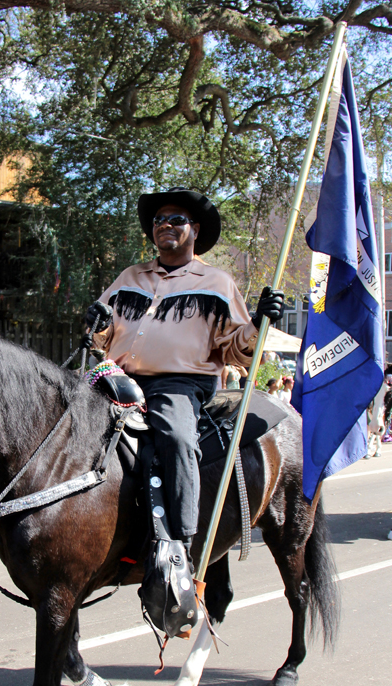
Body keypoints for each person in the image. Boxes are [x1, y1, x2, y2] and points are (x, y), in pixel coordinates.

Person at [86, 186, 284, 581]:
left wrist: (259, 321)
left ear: (194, 229)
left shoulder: (217, 282)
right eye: (159, 220)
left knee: (176, 438)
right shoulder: (129, 277)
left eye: (176, 219)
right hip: (116, 378)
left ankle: (179, 547)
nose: (165, 225)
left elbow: (237, 349)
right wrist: (95, 323)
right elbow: (99, 335)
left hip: (179, 384)